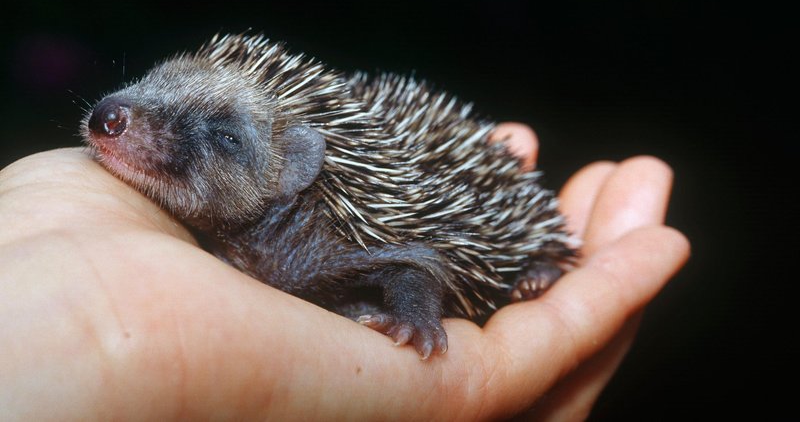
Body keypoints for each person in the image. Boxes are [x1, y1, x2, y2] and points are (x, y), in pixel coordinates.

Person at [0, 124, 688, 420]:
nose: (115, 115)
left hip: (460, 243)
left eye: (221, 137)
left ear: (287, 175)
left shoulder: (318, 239)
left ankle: (538, 266)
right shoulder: (213, 228)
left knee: (509, 258)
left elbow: (413, 260)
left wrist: (415, 318)